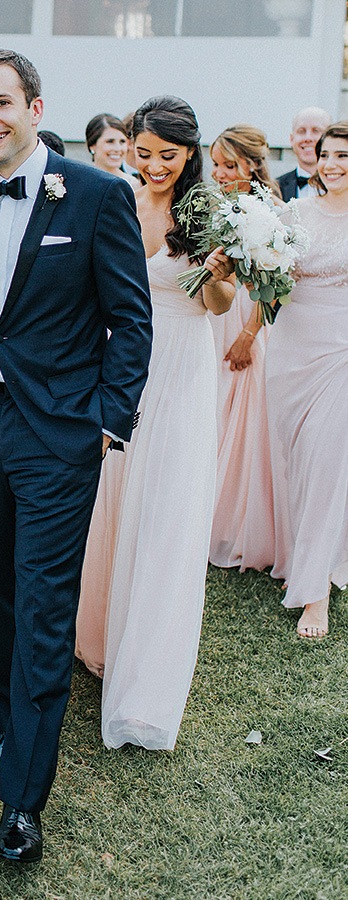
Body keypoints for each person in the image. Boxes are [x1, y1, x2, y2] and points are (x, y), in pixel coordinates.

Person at [0, 50, 152, 864]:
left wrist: (108, 419)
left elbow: (131, 320)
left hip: (61, 432)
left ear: (34, 106)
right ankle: (3, 726)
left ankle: (24, 798)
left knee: (42, 607)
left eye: (0, 101)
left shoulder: (97, 194)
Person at [76, 96, 235, 750]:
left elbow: (216, 304)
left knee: (165, 508)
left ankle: (147, 680)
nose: (155, 166)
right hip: (121, 363)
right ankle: (101, 635)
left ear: (189, 154)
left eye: (168, 156)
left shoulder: (206, 213)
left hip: (181, 365)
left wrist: (218, 273)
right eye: (144, 154)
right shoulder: (117, 201)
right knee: (112, 500)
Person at [266, 121, 348, 637]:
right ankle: (305, 560)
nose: (334, 163)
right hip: (290, 347)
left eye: (344, 155)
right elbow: (271, 284)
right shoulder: (292, 213)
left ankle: (315, 592)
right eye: (327, 154)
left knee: (326, 462)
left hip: (340, 348)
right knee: (296, 461)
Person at [206, 125, 279, 571]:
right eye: (215, 164)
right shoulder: (214, 204)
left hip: (247, 320)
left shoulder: (268, 211)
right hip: (215, 314)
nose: (219, 173)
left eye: (228, 165)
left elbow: (270, 287)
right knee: (214, 413)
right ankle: (208, 517)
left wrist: (249, 334)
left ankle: (237, 525)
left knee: (245, 421)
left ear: (251, 165)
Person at [277, 107, 332, 201]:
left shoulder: (343, 185)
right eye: (301, 131)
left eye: (316, 131)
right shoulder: (275, 188)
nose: (308, 138)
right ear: (291, 139)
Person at [85, 113, 140, 187]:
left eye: (122, 142)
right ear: (92, 145)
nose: (118, 148)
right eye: (110, 141)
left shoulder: (134, 185)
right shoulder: (81, 181)